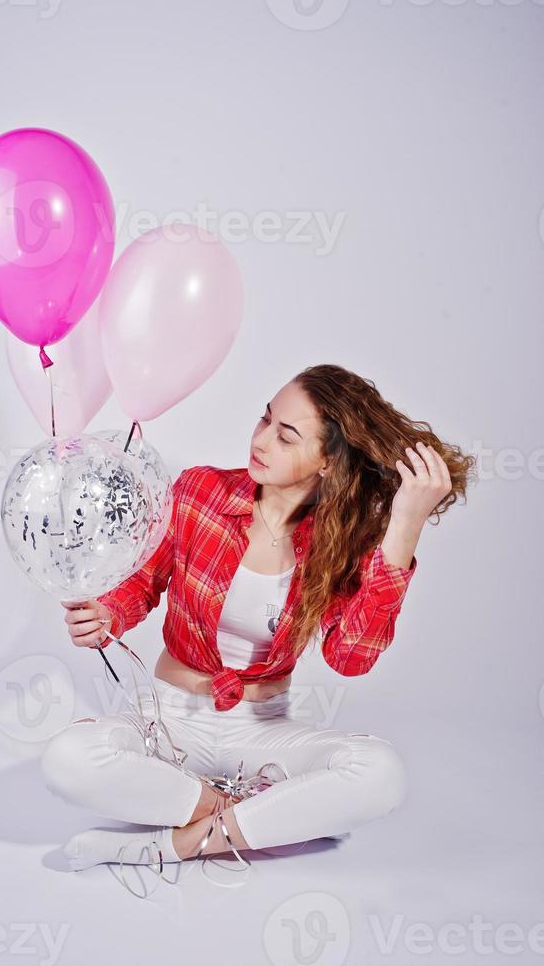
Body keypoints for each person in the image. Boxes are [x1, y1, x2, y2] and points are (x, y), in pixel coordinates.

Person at [40, 364, 475, 881]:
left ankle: (169, 847)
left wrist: (404, 528)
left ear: (327, 461)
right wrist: (109, 611)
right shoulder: (200, 491)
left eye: (287, 435)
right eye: (265, 419)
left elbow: (351, 659)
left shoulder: (342, 545)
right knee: (67, 758)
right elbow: (145, 579)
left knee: (381, 774)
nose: (262, 439)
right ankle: (259, 813)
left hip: (261, 733)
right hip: (169, 721)